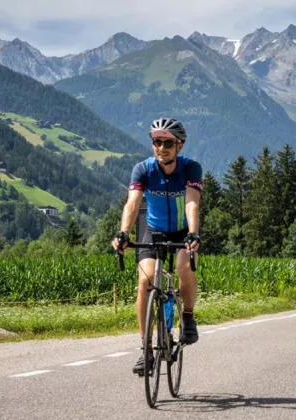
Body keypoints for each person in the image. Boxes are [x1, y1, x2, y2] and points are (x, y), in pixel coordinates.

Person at [112, 117, 203, 375]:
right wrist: (123, 232)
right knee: (145, 281)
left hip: (184, 230)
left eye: (167, 143)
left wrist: (193, 234)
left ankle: (187, 316)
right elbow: (132, 204)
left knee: (184, 267)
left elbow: (191, 203)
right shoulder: (143, 169)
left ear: (179, 146)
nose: (161, 148)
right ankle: (145, 350)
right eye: (156, 142)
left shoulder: (191, 169)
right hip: (152, 230)